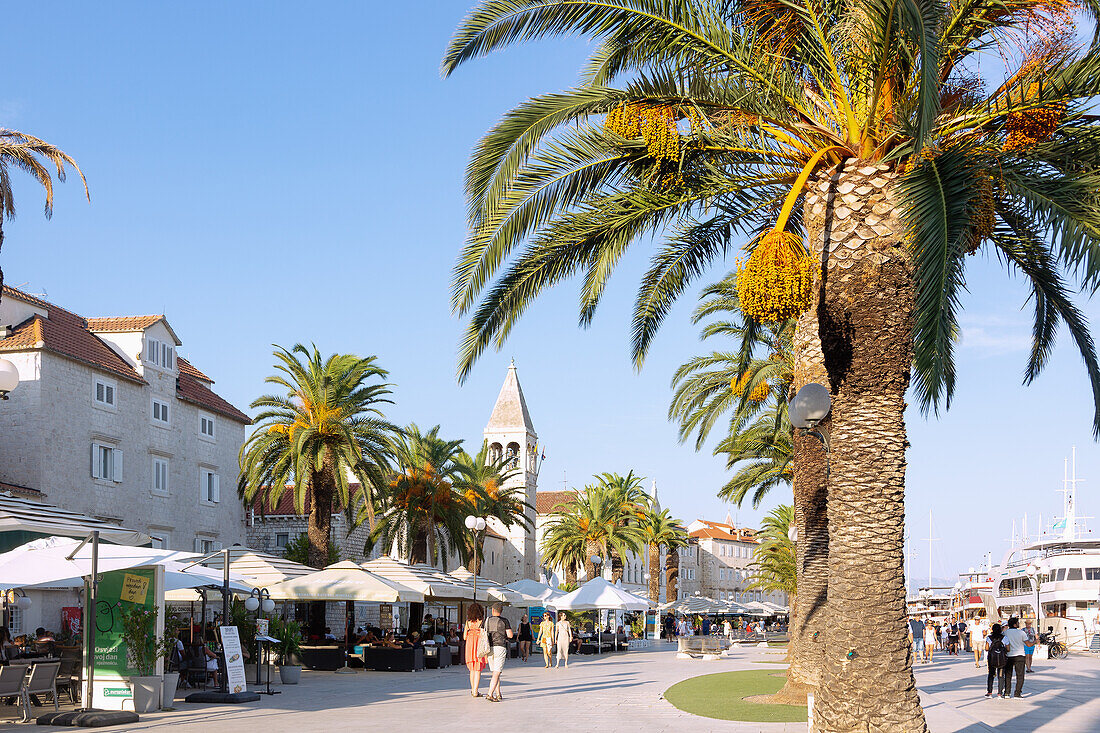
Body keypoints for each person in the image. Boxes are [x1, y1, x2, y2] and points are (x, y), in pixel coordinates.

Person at [484, 603, 513, 702]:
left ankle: (498, 693)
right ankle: (490, 694)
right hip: (500, 647)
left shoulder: (487, 620)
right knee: (497, 672)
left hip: (490, 648)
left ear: (492, 610)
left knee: (495, 672)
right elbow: (510, 635)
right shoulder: (504, 621)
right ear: (501, 611)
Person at [463, 602, 487, 697]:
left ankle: (473, 689)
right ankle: (475, 691)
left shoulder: (468, 622)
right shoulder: (481, 621)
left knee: (472, 670)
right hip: (478, 646)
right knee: (477, 670)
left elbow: (464, 636)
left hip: (470, 645)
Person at [1001, 616, 1028, 698]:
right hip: (1020, 656)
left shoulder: (1005, 633)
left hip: (1009, 656)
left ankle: (1007, 693)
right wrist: (1035, 641)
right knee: (1020, 676)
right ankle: (1017, 693)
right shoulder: (1022, 633)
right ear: (1015, 624)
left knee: (1008, 675)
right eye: (1017, 622)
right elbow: (1028, 644)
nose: (1019, 624)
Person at [984, 623, 1006, 698]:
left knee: (991, 674)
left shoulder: (989, 638)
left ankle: (989, 692)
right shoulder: (1004, 637)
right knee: (1001, 675)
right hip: (1001, 659)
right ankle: (1000, 693)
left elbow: (986, 648)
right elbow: (1008, 648)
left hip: (992, 658)